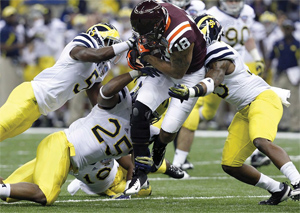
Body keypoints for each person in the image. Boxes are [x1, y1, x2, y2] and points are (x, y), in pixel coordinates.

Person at [168, 14, 300, 205]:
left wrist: (190, 91)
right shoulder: (199, 57)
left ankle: (297, 180)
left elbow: (214, 80)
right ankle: (278, 189)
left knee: (261, 141)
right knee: (231, 164)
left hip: (262, 99)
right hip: (244, 110)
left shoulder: (218, 51)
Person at [0, 70, 171, 205]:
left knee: (7, 191)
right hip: (64, 147)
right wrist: (135, 73)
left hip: (67, 161)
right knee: (45, 194)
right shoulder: (120, 102)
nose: (151, 115)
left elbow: (165, 136)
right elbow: (106, 91)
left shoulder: (145, 132)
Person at [0, 22, 135, 142]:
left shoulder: (103, 66)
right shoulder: (83, 42)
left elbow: (96, 96)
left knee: (4, 134)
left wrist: (104, 119)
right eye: (109, 43)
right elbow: (95, 54)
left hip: (40, 109)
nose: (113, 48)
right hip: (31, 95)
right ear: (97, 38)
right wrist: (129, 43)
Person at [124, 0, 207, 195]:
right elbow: (141, 40)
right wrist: (139, 51)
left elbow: (178, 72)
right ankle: (140, 173)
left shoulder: (181, 34)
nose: (143, 37)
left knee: (168, 130)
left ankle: (159, 151)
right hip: (163, 62)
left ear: (159, 25)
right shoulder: (153, 10)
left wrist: (147, 56)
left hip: (188, 74)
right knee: (139, 110)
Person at [67, 156, 186, 198]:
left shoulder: (98, 145)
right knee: (146, 191)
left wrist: (132, 179)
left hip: (117, 167)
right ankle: (144, 181)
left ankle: (166, 166)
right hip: (111, 186)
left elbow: (127, 161)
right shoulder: (69, 162)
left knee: (141, 161)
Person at [265, 19, 300, 132]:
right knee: (279, 100)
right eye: (285, 28)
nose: (287, 31)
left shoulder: (297, 44)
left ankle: (295, 125)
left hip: (293, 74)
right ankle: (282, 124)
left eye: (289, 28)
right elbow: (270, 58)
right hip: (280, 74)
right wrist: (266, 72)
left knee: (294, 101)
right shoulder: (278, 43)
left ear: (292, 30)